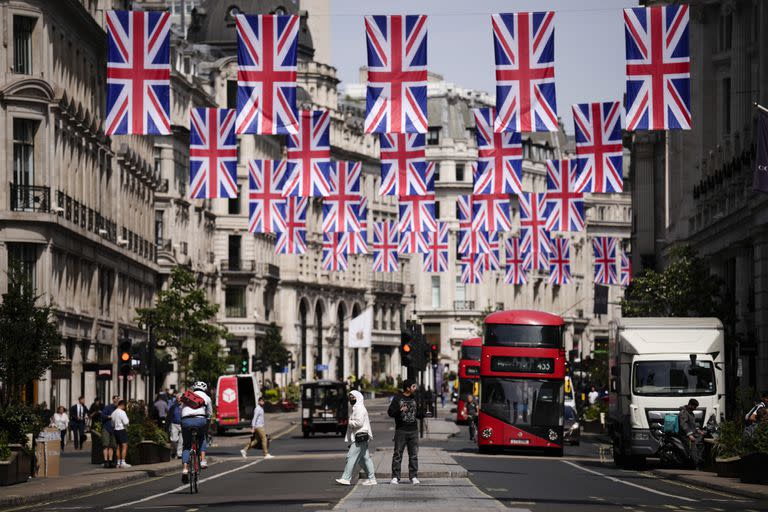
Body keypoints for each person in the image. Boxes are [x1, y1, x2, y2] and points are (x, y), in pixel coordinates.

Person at [336, 390, 376, 486]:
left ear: (358, 398)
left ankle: (346, 478)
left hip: (359, 437)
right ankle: (372, 479)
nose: (351, 399)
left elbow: (359, 423)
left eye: (353, 397)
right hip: (360, 437)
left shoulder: (360, 409)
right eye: (350, 397)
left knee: (350, 457)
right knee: (365, 459)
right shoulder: (356, 408)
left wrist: (349, 422)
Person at [387, 379, 420, 485]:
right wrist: (400, 410)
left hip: (413, 430)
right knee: (397, 454)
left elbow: (418, 412)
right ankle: (395, 477)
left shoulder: (415, 398)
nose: (415, 388)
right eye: (413, 386)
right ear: (408, 388)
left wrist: (424, 413)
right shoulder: (397, 398)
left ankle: (413, 477)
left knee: (413, 455)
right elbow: (390, 412)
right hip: (401, 430)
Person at [180, 381, 213, 483]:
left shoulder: (188, 395)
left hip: (185, 420)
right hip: (200, 420)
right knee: (202, 437)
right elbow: (209, 413)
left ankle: (185, 469)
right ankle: (203, 461)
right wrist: (207, 423)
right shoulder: (207, 397)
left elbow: (182, 409)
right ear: (205, 389)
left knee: (186, 445)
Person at [678, 398, 703, 468]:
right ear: (690, 405)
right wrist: (689, 435)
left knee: (702, 441)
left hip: (692, 433)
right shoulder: (683, 413)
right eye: (694, 407)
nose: (695, 408)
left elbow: (693, 424)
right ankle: (696, 463)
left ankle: (700, 459)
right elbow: (683, 424)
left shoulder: (691, 413)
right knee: (693, 444)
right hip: (684, 434)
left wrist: (698, 430)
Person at [111, 400, 131, 468]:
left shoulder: (113, 413)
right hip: (122, 430)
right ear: (122, 405)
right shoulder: (122, 412)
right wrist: (128, 422)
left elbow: (112, 423)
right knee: (124, 446)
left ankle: (118, 462)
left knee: (118, 447)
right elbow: (126, 422)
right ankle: (123, 462)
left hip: (115, 430)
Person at [101, 396, 119, 468]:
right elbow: (102, 415)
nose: (116, 400)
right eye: (115, 399)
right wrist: (109, 417)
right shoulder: (108, 407)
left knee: (112, 446)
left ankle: (111, 461)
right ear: (113, 399)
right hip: (106, 428)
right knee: (106, 445)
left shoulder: (118, 409)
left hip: (114, 429)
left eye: (118, 399)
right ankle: (106, 461)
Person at [167, 392, 183, 459]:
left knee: (181, 440)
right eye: (177, 398)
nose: (179, 400)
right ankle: (173, 451)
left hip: (182, 424)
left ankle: (179, 454)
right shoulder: (173, 406)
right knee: (173, 439)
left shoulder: (185, 406)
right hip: (174, 424)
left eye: (180, 398)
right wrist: (167, 425)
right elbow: (169, 416)